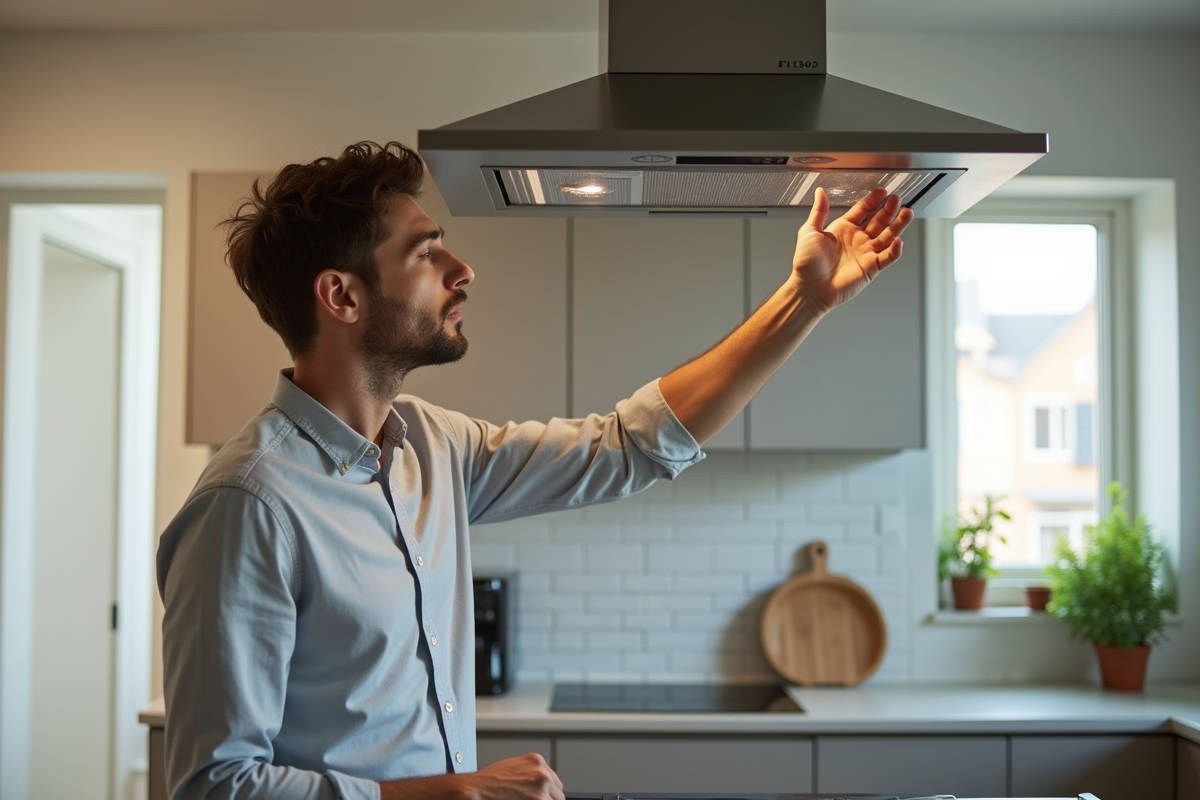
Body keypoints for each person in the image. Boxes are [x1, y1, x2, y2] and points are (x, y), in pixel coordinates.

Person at [157, 141, 912, 800]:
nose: (463, 269)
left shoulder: (429, 446)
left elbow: (629, 444)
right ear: (342, 295)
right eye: (425, 252)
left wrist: (802, 301)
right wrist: (454, 794)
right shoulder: (249, 505)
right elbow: (214, 784)